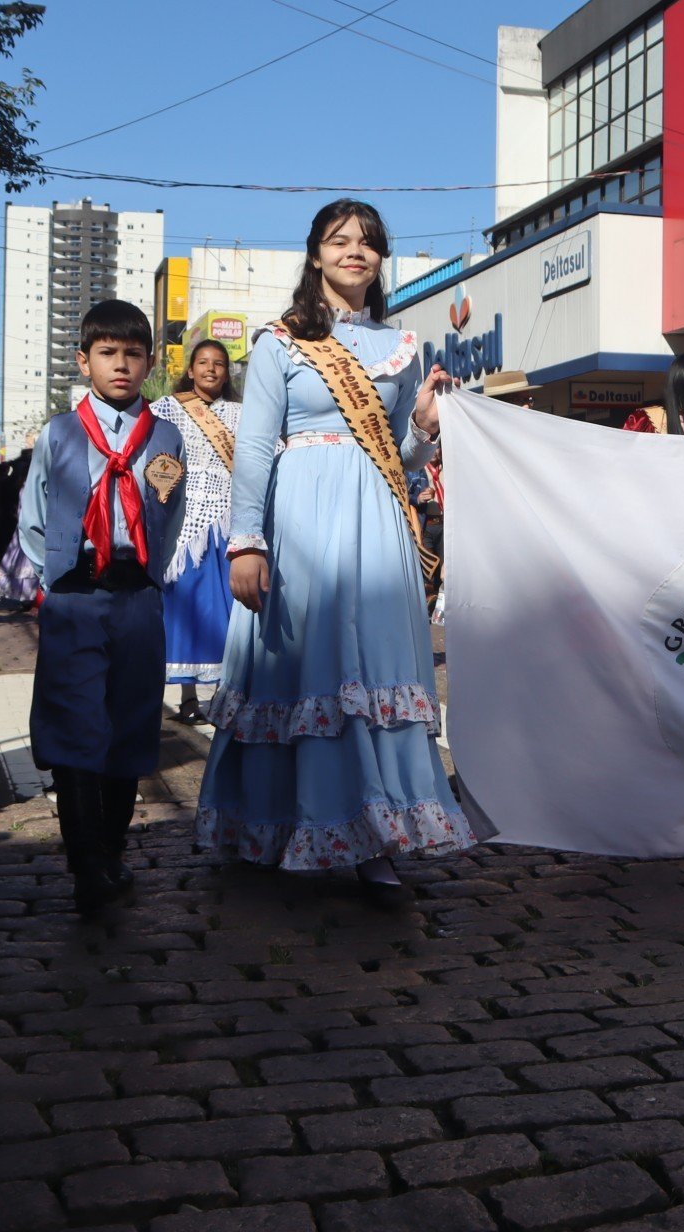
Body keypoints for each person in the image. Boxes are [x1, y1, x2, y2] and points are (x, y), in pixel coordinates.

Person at [197, 200, 475, 902]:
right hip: (301, 525)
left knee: (371, 672)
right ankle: (273, 825)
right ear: (315, 254)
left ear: (381, 259)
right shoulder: (279, 343)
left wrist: (423, 425)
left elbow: (405, 460)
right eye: (339, 240)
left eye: (369, 243)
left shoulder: (402, 347)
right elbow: (256, 447)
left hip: (377, 521)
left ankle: (375, 834)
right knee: (302, 671)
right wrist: (247, 544)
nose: (355, 251)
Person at [19, 299, 185, 917]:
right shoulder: (58, 434)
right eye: (108, 354)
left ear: (148, 362)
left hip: (136, 596)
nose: (121, 365)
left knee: (131, 721)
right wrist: (56, 576)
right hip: (75, 594)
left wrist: (147, 573)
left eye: (134, 354)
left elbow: (172, 513)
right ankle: (85, 861)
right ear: (83, 361)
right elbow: (33, 517)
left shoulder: (166, 436)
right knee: (71, 724)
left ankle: (113, 850)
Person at [149, 339, 242, 724]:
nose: (210, 369)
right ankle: (188, 696)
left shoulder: (241, 413)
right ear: (190, 369)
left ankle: (225, 693)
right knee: (185, 608)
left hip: (228, 522)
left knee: (225, 613)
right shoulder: (166, 409)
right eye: (203, 362)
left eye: (218, 363)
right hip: (184, 522)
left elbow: (267, 449)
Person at [0, 446, 41, 608]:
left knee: (23, 564)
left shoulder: (25, 487)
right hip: (28, 530)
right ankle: (28, 596)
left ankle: (28, 597)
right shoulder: (28, 488)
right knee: (26, 564)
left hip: (26, 529)